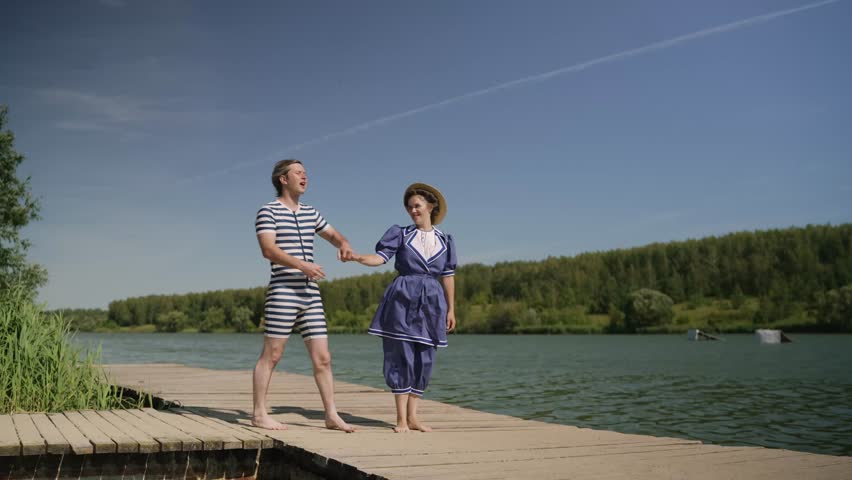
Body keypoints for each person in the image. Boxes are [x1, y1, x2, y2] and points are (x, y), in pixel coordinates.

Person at [252, 159, 355, 432]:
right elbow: (268, 250)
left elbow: (332, 235)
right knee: (272, 355)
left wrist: (343, 243)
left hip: (310, 294)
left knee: (323, 357)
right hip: (283, 290)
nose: (304, 176)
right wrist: (302, 264)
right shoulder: (268, 211)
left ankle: (331, 415)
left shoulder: (311, 212)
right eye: (298, 172)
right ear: (283, 179)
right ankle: (259, 413)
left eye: (305, 173)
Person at [348, 183, 457, 433]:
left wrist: (451, 309)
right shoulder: (401, 234)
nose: (413, 211)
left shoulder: (445, 240)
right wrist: (358, 258)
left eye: (417, 205)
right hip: (403, 298)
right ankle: (400, 419)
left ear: (431, 206)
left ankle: (414, 417)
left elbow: (448, 276)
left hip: (432, 302)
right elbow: (380, 258)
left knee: (425, 357)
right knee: (401, 355)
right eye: (409, 207)